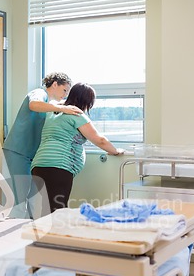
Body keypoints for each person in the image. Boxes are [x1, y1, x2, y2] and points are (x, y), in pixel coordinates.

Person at [30, 82, 124, 215]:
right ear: (87, 101)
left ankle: (43, 234)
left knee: (46, 208)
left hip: (38, 166)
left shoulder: (52, 113)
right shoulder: (76, 114)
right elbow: (100, 140)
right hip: (58, 167)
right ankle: (54, 235)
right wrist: (115, 151)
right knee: (57, 210)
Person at [2, 72, 82, 218]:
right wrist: (62, 108)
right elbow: (33, 105)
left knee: (34, 198)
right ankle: (14, 232)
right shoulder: (39, 93)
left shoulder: (51, 106)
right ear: (55, 84)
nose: (64, 95)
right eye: (64, 90)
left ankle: (31, 229)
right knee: (19, 197)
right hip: (18, 151)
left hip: (32, 155)